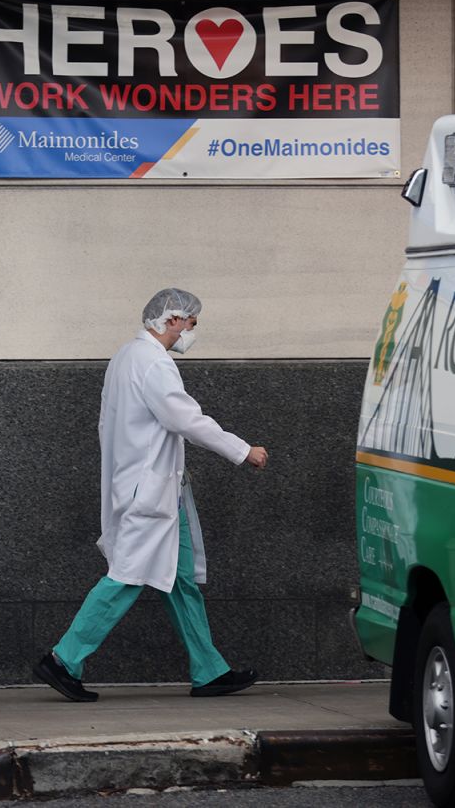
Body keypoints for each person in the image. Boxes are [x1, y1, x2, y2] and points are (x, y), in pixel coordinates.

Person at [34, 288, 269, 702]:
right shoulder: (154, 363)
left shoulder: (125, 356)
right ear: (173, 320)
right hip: (150, 493)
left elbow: (109, 423)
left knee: (179, 582)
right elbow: (186, 419)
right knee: (126, 577)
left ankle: (209, 670)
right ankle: (63, 659)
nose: (192, 333)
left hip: (145, 487)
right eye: (192, 324)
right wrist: (242, 450)